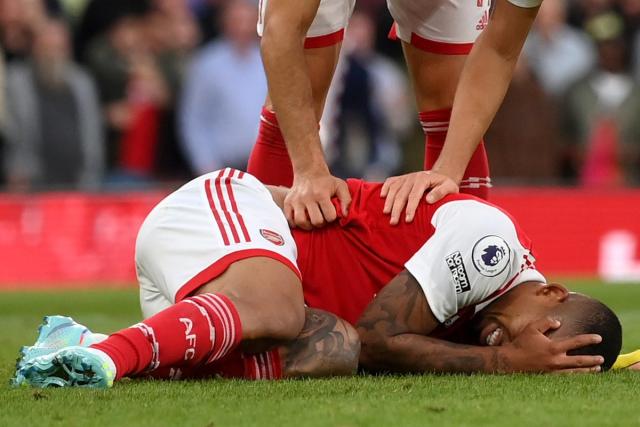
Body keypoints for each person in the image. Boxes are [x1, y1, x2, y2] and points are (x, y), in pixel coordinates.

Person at [14, 168, 624, 388]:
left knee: (336, 348)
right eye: (530, 334)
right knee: (295, 318)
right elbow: (387, 337)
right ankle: (109, 361)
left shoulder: (478, 318)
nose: (506, 343)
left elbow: (367, 344)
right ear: (550, 292)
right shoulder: (491, 245)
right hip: (228, 215)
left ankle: (85, 345)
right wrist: (504, 364)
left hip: (220, 306)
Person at [4, 19, 104, 191]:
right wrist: (17, 169)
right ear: (35, 48)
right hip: (30, 182)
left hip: (79, 182)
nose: (53, 55)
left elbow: (92, 132)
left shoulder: (82, 82)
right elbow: (13, 132)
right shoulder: (16, 80)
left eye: (58, 48)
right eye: (47, 47)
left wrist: (92, 176)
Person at [179, 0, 267, 175]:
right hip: (223, 167)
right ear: (224, 22)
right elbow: (194, 118)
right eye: (236, 20)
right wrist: (205, 165)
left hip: (264, 166)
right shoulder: (206, 63)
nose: (242, 26)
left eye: (247, 20)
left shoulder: (269, 58)